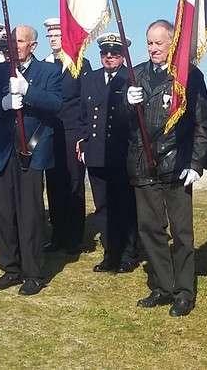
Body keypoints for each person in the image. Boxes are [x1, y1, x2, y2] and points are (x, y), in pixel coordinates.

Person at [122, 19, 207, 317]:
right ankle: (163, 285)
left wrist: (197, 163)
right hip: (143, 162)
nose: (153, 49)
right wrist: (125, 101)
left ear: (172, 43)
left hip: (176, 163)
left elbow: (202, 124)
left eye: (159, 43)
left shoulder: (189, 76)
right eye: (149, 43)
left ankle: (184, 291)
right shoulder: (136, 74)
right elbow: (123, 122)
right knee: (150, 228)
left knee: (182, 232)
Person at [0, 24, 62, 296]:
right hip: (1, 151)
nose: (14, 47)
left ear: (33, 46)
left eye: (20, 42)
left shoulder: (48, 71)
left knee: (30, 214)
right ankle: (10, 267)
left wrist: (28, 91)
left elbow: (57, 104)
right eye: (11, 42)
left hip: (31, 151)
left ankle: (33, 272)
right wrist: (3, 104)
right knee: (2, 213)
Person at [75, 32, 141, 273]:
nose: (109, 57)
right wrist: (82, 141)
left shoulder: (131, 78)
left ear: (123, 55)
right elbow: (83, 114)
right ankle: (110, 253)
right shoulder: (90, 79)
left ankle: (128, 254)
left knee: (125, 204)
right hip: (96, 153)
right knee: (102, 206)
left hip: (122, 153)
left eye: (115, 53)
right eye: (105, 53)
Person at [40, 16, 91, 255]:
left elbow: (86, 102)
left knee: (73, 183)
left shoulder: (80, 63)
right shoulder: (43, 65)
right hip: (50, 132)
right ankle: (57, 234)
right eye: (49, 35)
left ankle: (74, 237)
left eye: (57, 35)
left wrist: (83, 135)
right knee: (53, 183)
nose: (52, 39)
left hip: (72, 131)